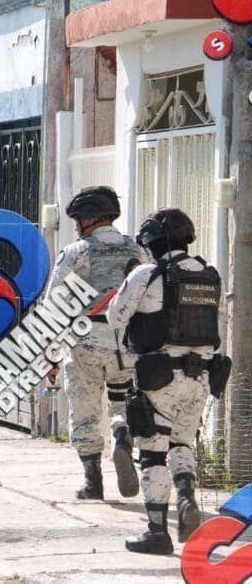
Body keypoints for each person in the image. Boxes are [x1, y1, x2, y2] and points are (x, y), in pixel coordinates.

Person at [107, 208, 225, 555]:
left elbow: (116, 317)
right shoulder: (209, 275)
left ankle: (157, 533)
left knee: (152, 452)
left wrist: (130, 283)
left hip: (160, 376)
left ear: (153, 241)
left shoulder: (147, 273)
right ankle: (186, 495)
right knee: (182, 443)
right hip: (202, 376)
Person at [48, 186, 143, 500]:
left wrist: (50, 351)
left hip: (86, 341)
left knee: (85, 409)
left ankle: (93, 481)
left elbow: (55, 304)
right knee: (123, 401)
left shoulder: (77, 252)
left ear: (90, 218)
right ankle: (122, 436)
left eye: (78, 219)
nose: (76, 226)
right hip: (128, 343)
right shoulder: (138, 251)